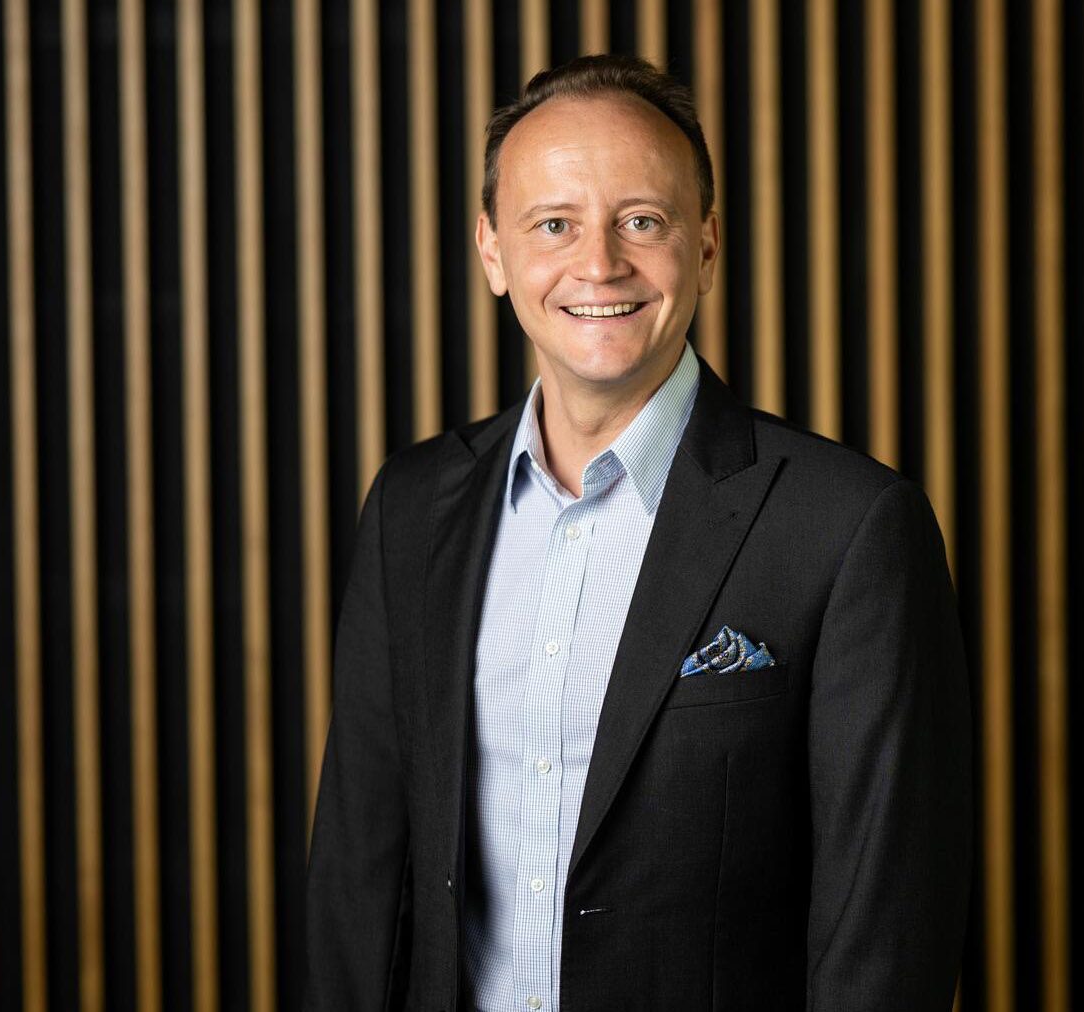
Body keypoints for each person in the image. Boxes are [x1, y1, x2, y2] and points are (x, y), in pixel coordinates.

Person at [305, 53, 972, 1011]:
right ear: (493, 252)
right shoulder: (412, 510)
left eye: (642, 222)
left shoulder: (848, 528)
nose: (600, 263)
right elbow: (357, 884)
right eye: (554, 225)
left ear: (704, 245)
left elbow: (886, 932)